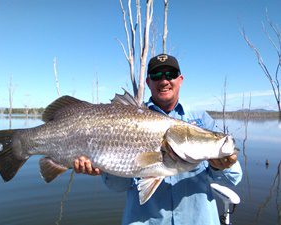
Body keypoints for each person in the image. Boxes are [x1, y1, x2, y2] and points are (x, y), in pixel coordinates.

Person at [74, 54, 242, 225]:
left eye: (170, 74)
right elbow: (118, 186)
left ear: (180, 79)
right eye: (156, 75)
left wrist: (221, 166)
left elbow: (234, 179)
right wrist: (103, 166)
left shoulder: (200, 120)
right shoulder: (129, 117)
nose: (164, 81)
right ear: (148, 82)